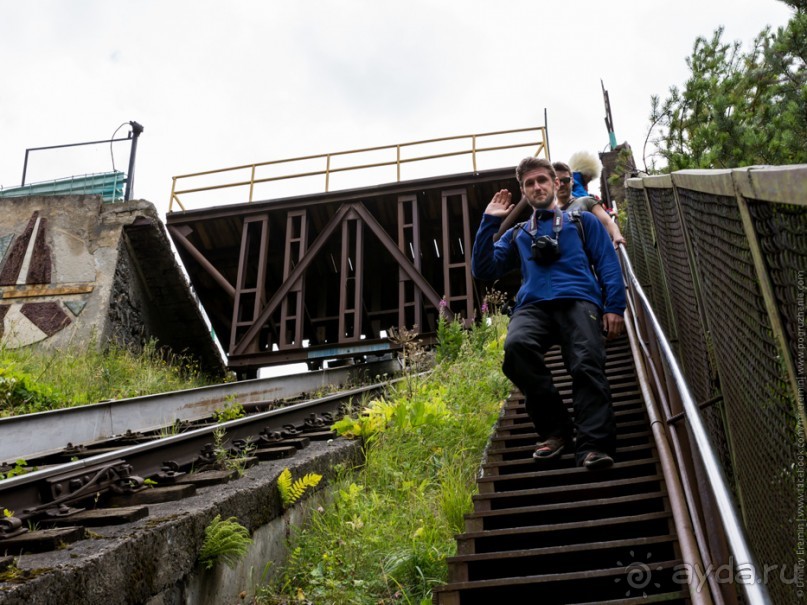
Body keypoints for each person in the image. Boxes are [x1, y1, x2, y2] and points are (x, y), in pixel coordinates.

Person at [471, 157, 626, 470]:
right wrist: (489, 221)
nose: (536, 187)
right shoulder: (518, 233)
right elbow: (483, 268)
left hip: (579, 300)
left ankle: (593, 445)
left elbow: (608, 263)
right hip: (533, 306)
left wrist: (614, 307)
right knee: (516, 349)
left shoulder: (583, 222)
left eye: (542, 180)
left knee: (586, 364)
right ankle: (555, 432)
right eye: (529, 183)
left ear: (556, 184)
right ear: (524, 192)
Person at [554, 158, 626, 247]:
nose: (561, 184)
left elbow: (608, 222)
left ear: (572, 181)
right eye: (557, 181)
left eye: (565, 180)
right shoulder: (549, 212)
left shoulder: (586, 201)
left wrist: (617, 235)